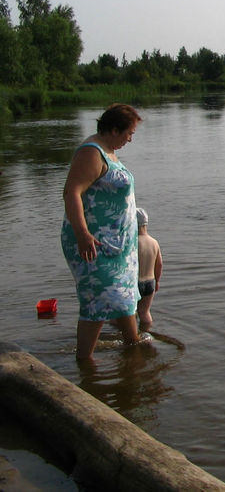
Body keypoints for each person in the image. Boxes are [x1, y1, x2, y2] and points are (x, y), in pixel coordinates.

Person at [61, 103, 144, 360]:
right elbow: (71, 192)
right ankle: (84, 362)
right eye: (129, 133)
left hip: (116, 246)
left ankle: (134, 345)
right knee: (99, 301)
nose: (130, 139)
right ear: (114, 129)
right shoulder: (91, 152)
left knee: (124, 298)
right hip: (94, 242)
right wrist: (83, 234)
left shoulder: (106, 150)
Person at [135, 207, 163, 329]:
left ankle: (122, 335)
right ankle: (147, 332)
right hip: (150, 282)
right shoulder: (154, 242)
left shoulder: (133, 242)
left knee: (124, 314)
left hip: (135, 282)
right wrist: (157, 281)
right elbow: (159, 264)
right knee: (144, 312)